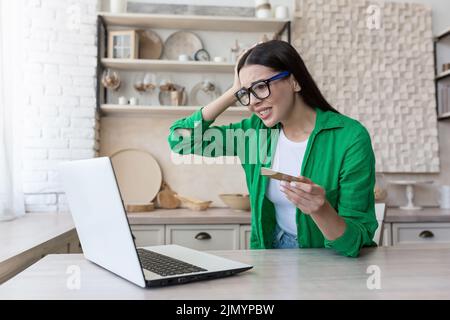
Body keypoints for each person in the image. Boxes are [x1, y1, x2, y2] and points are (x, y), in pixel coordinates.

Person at [168, 40, 377, 257]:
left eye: (260, 87)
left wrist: (320, 209)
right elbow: (180, 141)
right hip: (271, 253)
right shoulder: (254, 133)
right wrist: (232, 91)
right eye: (245, 93)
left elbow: (354, 243)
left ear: (295, 81)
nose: (251, 103)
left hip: (328, 258)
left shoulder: (349, 138)